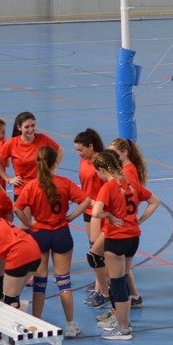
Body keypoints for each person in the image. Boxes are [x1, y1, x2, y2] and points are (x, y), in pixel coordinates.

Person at [15, 146, 92, 337]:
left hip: (40, 234)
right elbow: (87, 200)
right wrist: (72, 216)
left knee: (40, 282)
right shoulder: (64, 183)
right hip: (61, 233)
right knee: (63, 281)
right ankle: (70, 325)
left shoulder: (32, 186)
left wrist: (30, 223)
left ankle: (36, 323)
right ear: (54, 162)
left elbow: (17, 208)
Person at [91, 150, 160, 341]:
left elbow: (96, 212)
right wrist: (139, 220)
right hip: (133, 238)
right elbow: (155, 201)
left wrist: (109, 216)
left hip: (116, 239)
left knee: (118, 283)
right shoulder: (130, 183)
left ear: (102, 169)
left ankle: (123, 328)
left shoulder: (109, 186)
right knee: (122, 279)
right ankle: (120, 319)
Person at [111, 137, 151, 308]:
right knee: (124, 267)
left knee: (122, 268)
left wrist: (139, 218)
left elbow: (141, 195)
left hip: (125, 227)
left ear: (124, 152)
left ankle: (128, 299)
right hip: (126, 224)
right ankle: (134, 296)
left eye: (114, 153)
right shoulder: (125, 169)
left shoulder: (128, 172)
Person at [74, 128, 111, 309]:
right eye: (77, 151)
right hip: (87, 210)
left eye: (82, 150)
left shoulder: (100, 163)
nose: (79, 154)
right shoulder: (84, 161)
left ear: (91, 146)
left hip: (99, 211)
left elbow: (110, 187)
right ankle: (102, 281)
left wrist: (99, 203)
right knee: (93, 247)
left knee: (97, 252)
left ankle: (102, 290)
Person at [0, 111, 60, 196]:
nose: (31, 129)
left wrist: (52, 169)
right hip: (22, 191)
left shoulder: (43, 139)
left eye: (33, 125)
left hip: (42, 189)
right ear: (19, 127)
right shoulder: (12, 143)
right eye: (27, 127)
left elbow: (59, 151)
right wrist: (8, 179)